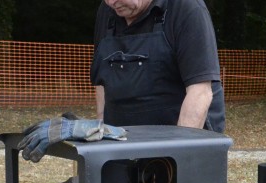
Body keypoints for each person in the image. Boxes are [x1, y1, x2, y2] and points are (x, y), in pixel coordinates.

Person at [91, 0, 225, 133]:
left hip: (179, 135)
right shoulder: (107, 10)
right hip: (123, 139)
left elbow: (200, 92)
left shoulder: (187, 8)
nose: (111, 2)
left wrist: (180, 145)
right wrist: (102, 133)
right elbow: (103, 78)